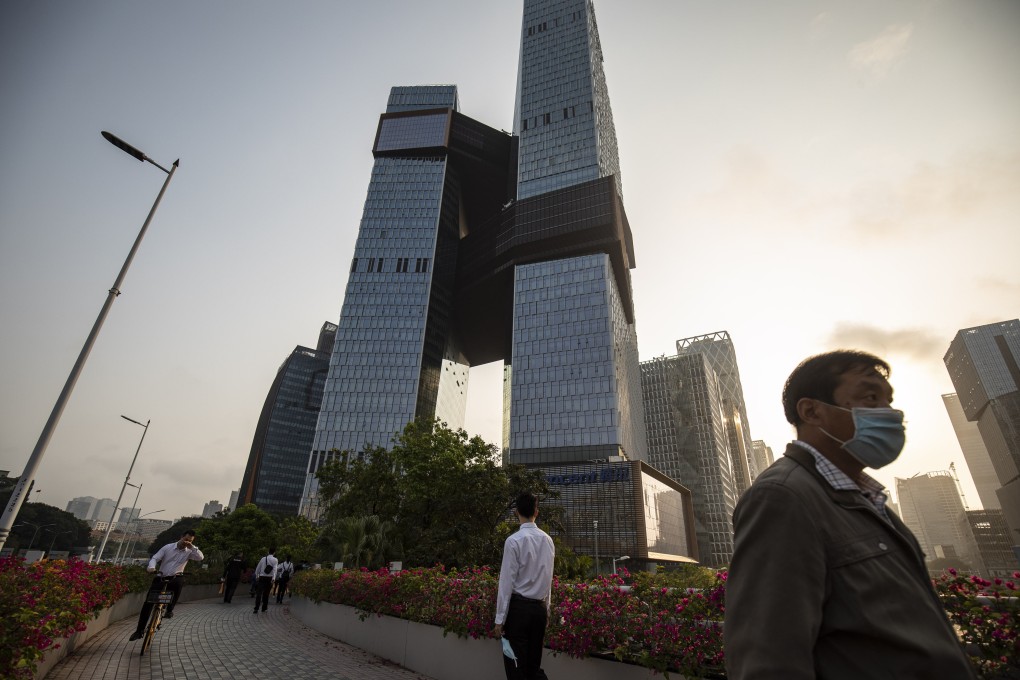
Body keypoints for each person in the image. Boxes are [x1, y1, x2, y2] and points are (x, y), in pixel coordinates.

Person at [724, 350, 977, 679]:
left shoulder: (868, 498)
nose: (890, 413)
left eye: (888, 400)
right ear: (812, 410)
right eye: (871, 397)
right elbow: (766, 657)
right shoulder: (783, 498)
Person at [493, 492, 555, 680]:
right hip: (539, 610)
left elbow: (506, 582)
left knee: (516, 666)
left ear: (516, 512)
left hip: (519, 611)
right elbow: (548, 579)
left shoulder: (513, 541)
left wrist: (499, 619)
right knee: (533, 666)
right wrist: (547, 611)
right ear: (536, 511)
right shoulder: (548, 540)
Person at [128, 529, 204, 641]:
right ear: (181, 536)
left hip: (175, 577)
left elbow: (200, 557)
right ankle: (139, 631)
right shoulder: (168, 547)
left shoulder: (189, 551)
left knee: (179, 582)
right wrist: (152, 567)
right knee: (148, 603)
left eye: (190, 541)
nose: (186, 542)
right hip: (161, 576)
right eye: (186, 539)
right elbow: (155, 557)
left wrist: (192, 547)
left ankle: (169, 610)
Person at [252, 548, 278, 614]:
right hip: (269, 579)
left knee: (259, 593)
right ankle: (264, 608)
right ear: (274, 552)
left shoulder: (263, 559)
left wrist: (257, 576)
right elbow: (275, 570)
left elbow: (258, 568)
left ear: (268, 552)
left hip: (262, 577)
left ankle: (256, 608)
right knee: (266, 594)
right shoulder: (275, 560)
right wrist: (273, 579)